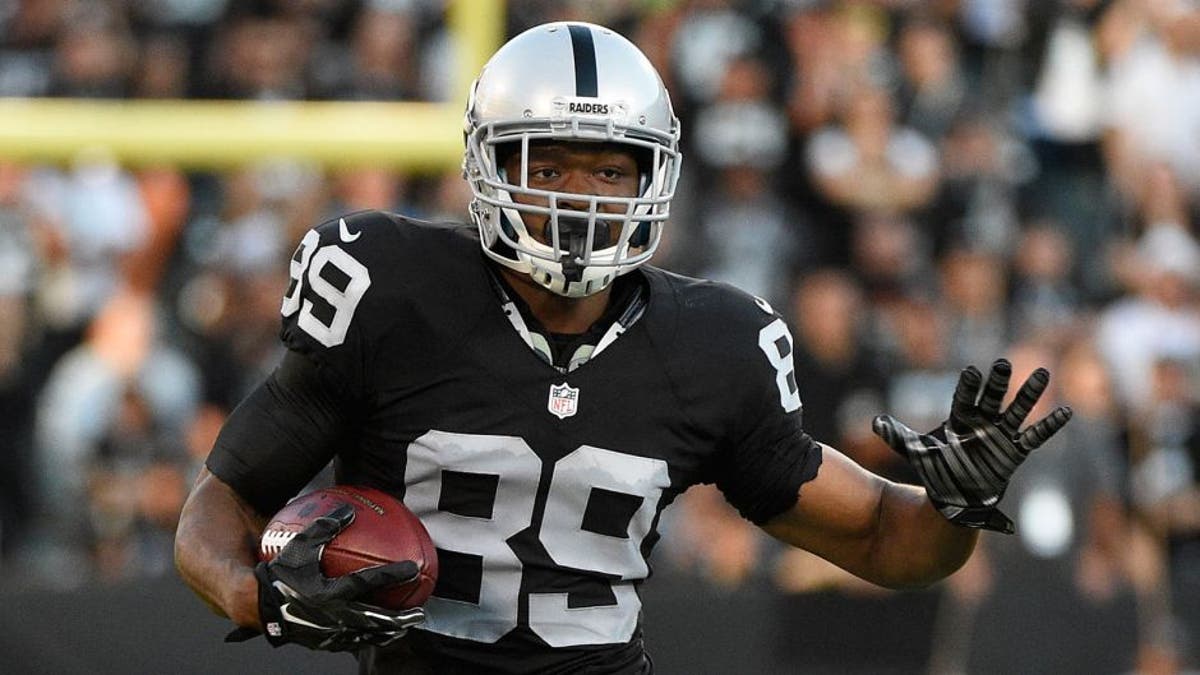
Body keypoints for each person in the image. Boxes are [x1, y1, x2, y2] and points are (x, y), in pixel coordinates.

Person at [174, 21, 1073, 674]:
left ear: (655, 176)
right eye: (549, 165)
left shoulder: (714, 342)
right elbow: (217, 506)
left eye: (609, 169)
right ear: (491, 166)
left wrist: (955, 507)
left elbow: (885, 539)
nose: (580, 197)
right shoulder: (390, 292)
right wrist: (258, 592)